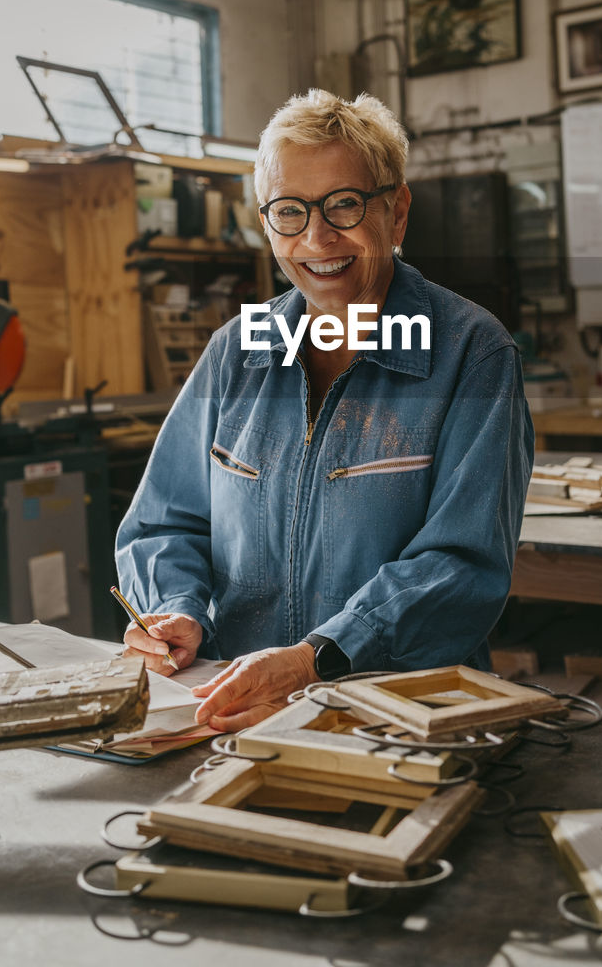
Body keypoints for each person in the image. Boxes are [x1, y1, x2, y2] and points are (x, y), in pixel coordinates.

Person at [116, 89, 534, 731]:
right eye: (290, 211)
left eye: (344, 205)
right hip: (234, 708)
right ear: (267, 224)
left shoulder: (470, 354)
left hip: (403, 716)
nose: (317, 237)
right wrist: (177, 611)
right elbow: (162, 524)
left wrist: (319, 659)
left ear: (396, 214)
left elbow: (462, 564)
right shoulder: (238, 351)